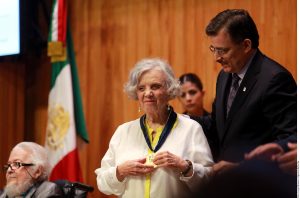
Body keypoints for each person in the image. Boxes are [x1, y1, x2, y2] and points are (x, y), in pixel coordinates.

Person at [195, 9, 297, 175]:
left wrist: (243, 167)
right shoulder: (225, 75)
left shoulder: (274, 79)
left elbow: (291, 140)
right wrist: (178, 119)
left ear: (246, 45)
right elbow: (217, 125)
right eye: (213, 49)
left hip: (262, 185)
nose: (216, 58)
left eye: (223, 50)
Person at [95, 58, 213, 198]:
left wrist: (184, 166)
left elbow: (210, 181)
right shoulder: (123, 132)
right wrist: (120, 171)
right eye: (141, 88)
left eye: (155, 86)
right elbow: (102, 182)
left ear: (169, 90)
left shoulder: (191, 129)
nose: (147, 93)